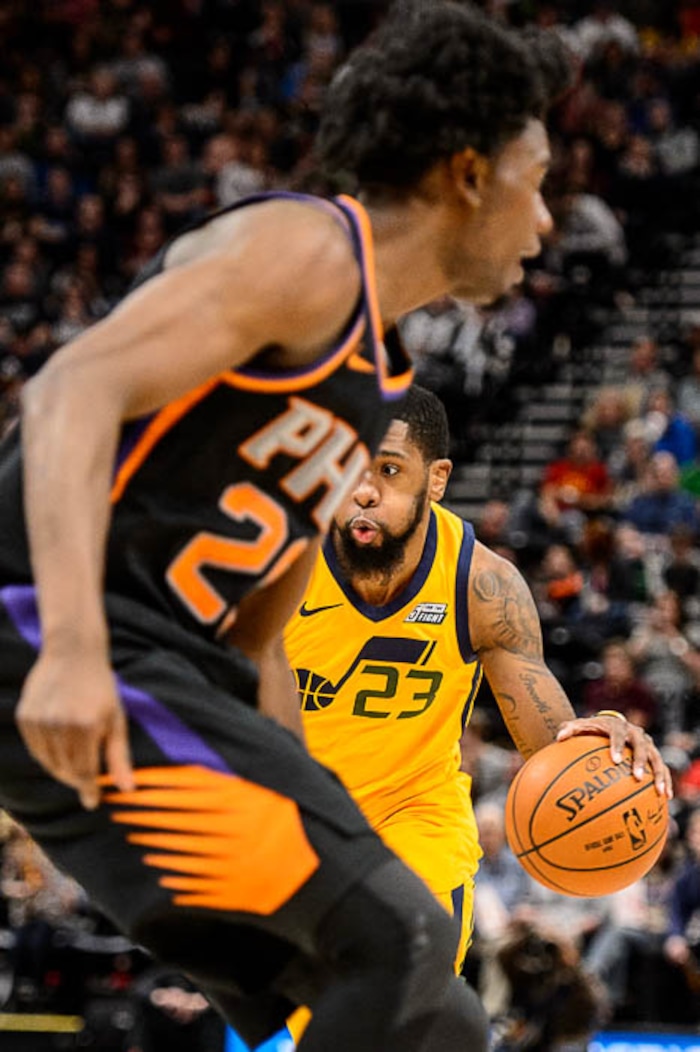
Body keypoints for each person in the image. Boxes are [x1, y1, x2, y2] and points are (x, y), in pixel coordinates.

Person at [0, 4, 581, 1051]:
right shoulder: (308, 249)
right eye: (535, 181)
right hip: (57, 634)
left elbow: (259, 633)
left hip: (168, 672)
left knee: (439, 1016)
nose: (544, 221)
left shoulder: (374, 379)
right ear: (466, 174)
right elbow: (66, 392)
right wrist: (75, 649)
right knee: (397, 939)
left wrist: (312, 801)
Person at [278, 384, 672, 1049]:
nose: (364, 490)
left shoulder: (480, 585)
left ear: (436, 480)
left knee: (393, 988)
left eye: (389, 469)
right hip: (292, 827)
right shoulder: (280, 564)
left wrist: (600, 745)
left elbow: (552, 745)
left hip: (415, 823)